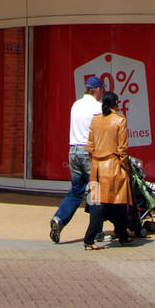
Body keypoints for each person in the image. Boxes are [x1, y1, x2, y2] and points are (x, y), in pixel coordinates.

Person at [49, 75, 104, 242]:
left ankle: (59, 218)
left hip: (73, 150)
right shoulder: (98, 107)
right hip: (88, 152)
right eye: (102, 90)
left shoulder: (75, 105)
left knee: (76, 190)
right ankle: (96, 232)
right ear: (98, 90)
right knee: (95, 192)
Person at [83, 91, 135, 249]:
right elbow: (122, 149)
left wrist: (95, 162)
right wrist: (126, 167)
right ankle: (90, 238)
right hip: (113, 166)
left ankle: (122, 234)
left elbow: (90, 146)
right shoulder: (120, 120)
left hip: (97, 168)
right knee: (112, 202)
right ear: (115, 104)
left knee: (104, 203)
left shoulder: (95, 120)